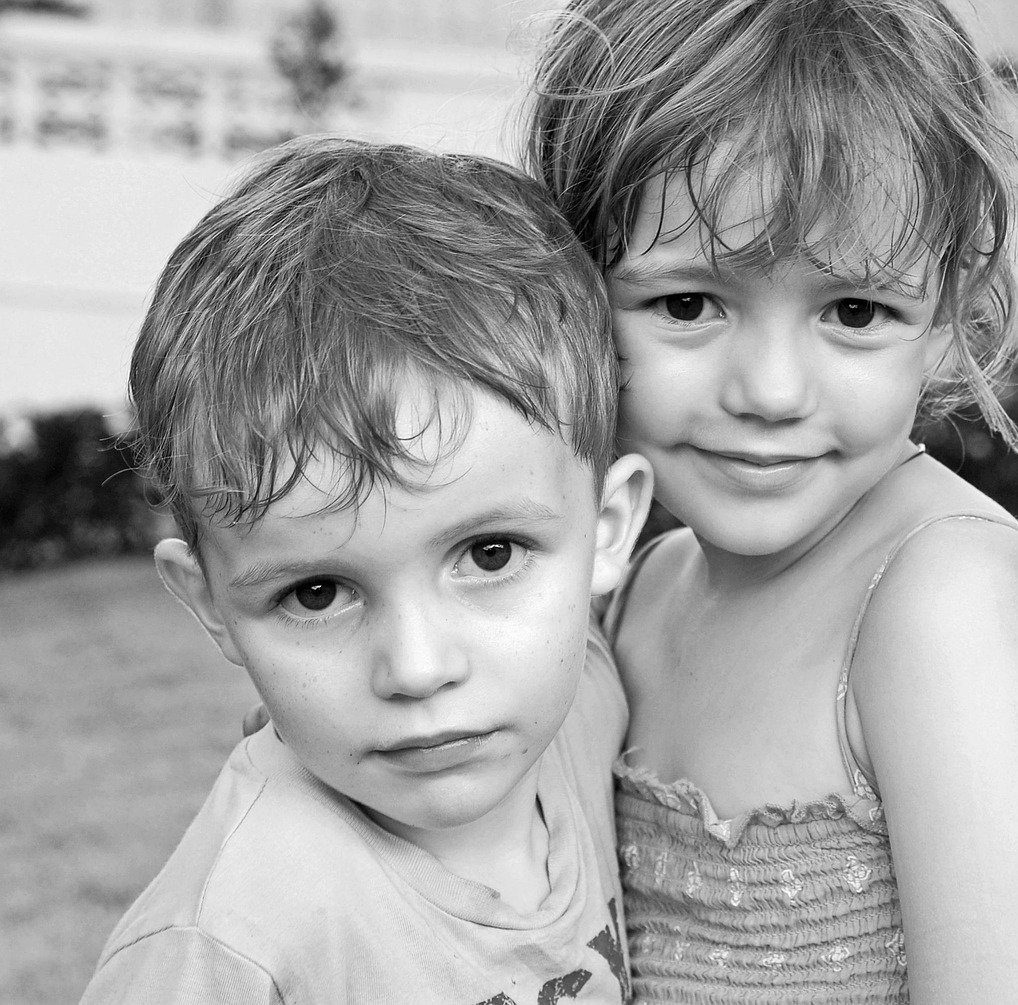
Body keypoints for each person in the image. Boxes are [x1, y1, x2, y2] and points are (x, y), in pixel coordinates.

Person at [525, 1, 1018, 1002]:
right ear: (573, 292)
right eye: (686, 303)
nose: (771, 392)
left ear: (949, 316)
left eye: (854, 310)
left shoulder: (946, 605)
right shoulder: (644, 587)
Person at [80, 136, 653, 1005]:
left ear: (608, 530)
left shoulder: (593, 710)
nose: (418, 668)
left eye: (490, 554)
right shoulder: (230, 948)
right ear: (210, 603)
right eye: (316, 593)